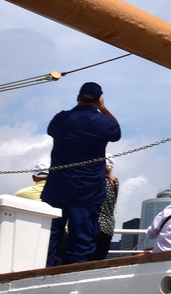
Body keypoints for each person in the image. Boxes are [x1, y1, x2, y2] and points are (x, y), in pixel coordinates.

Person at [41, 82, 121, 266]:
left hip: (58, 187)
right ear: (99, 99)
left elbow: (50, 131)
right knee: (82, 237)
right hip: (88, 190)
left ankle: (43, 270)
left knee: (50, 233)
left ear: (78, 97)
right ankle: (72, 274)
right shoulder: (104, 123)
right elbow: (116, 132)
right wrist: (103, 108)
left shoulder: (61, 119)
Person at [92, 157, 119, 261]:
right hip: (109, 225)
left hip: (96, 224)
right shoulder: (115, 181)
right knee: (99, 258)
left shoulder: (98, 180)